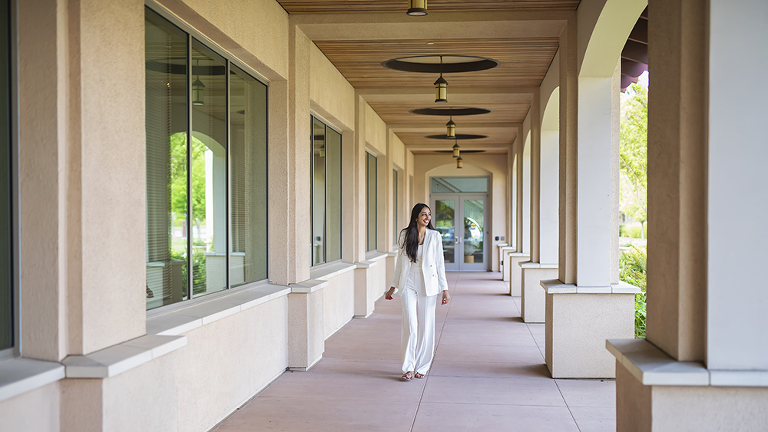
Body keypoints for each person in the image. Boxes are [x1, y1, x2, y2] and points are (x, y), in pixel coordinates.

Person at [385, 203, 450, 381]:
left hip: (428, 284)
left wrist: (445, 289)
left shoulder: (435, 236)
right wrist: (393, 286)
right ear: (416, 217)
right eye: (423, 214)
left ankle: (422, 366)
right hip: (408, 283)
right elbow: (400, 262)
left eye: (429, 214)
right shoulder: (405, 235)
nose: (427, 217)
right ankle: (408, 367)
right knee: (411, 325)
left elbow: (439, 263)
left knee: (426, 325)